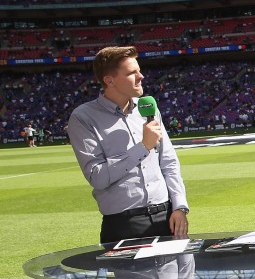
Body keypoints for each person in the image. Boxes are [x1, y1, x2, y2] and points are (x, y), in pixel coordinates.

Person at [67, 46, 190, 244]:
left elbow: (169, 162)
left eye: (139, 70)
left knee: (176, 275)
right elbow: (98, 177)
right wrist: (143, 146)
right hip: (123, 224)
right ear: (109, 80)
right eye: (132, 73)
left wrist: (179, 207)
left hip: (167, 217)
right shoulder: (83, 118)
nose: (141, 76)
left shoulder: (148, 108)